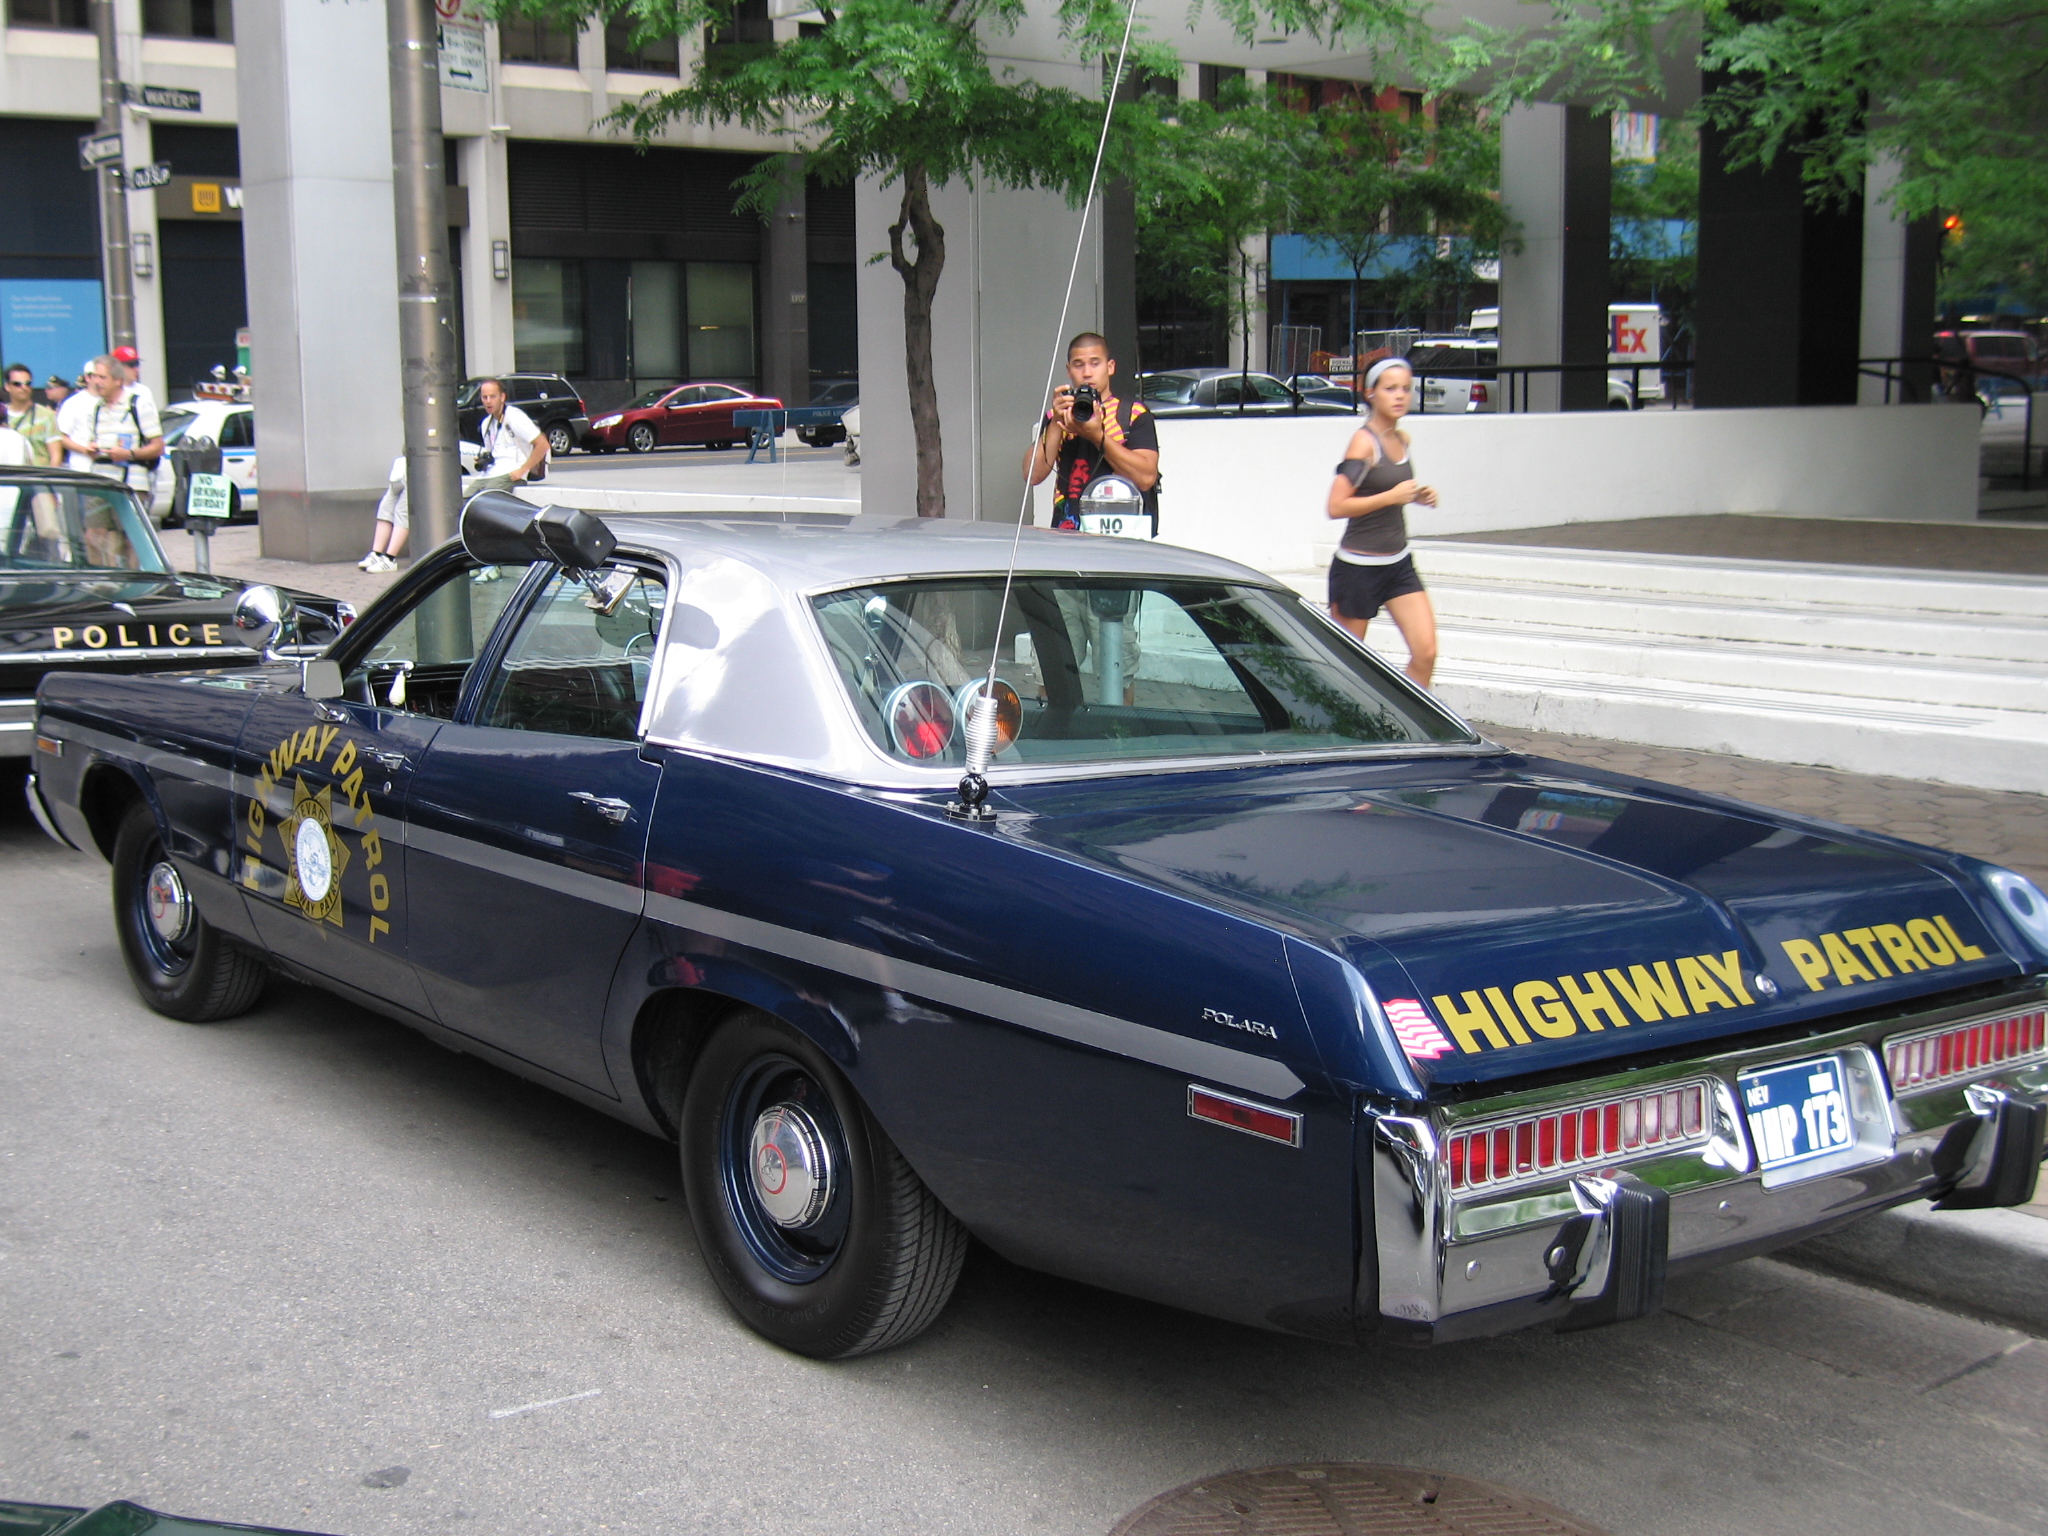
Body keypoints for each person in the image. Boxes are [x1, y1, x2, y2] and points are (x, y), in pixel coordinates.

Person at [1324, 357, 1440, 687]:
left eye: (1405, 388)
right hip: (1358, 569)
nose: (1400, 395)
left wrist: (1416, 496)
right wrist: (1391, 497)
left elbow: (1387, 490)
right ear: (1370, 393)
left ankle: (1405, 718)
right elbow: (1336, 506)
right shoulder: (1364, 443)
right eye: (1390, 389)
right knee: (1347, 669)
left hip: (1398, 565)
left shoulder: (1402, 440)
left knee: (1426, 653)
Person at [1025, 332, 1159, 530]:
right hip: (1068, 531)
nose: (1087, 373)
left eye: (1095, 363)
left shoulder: (1132, 413)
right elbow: (1032, 475)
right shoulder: (1059, 415)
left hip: (1121, 531)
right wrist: (1056, 422)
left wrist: (1097, 436)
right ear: (1068, 370)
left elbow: (1146, 478)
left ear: (1110, 367)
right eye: (1078, 365)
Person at [54, 356, 163, 492]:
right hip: (100, 484)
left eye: (102, 377)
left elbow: (158, 447)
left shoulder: (138, 404)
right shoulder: (98, 408)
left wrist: (129, 454)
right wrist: (93, 449)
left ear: (118, 380)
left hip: (130, 485)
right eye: (94, 377)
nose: (97, 382)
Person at [474, 378, 547, 487]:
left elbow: (543, 445)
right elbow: (492, 453)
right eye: (485, 397)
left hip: (511, 473)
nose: (488, 401)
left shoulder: (514, 417)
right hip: (489, 474)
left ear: (502, 397)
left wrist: (522, 470)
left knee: (488, 495)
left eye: (493, 396)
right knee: (465, 496)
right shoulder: (486, 423)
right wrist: (483, 461)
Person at [359, 455, 409, 572]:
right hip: (403, 468)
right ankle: (376, 554)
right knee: (386, 508)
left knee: (402, 511)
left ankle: (390, 559)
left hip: (417, 468)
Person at [5, 363, 60, 462]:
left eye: (28, 383)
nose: (24, 387)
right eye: (17, 384)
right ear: (7, 386)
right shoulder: (2, 414)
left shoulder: (47, 415)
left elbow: (56, 455)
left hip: (39, 471)